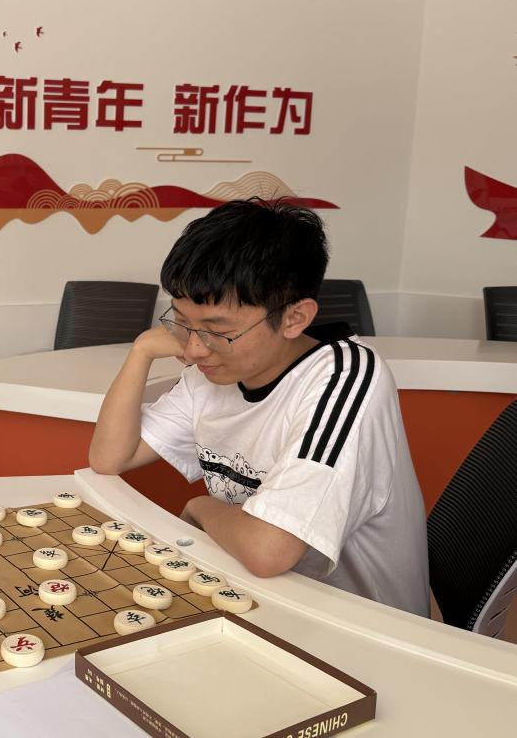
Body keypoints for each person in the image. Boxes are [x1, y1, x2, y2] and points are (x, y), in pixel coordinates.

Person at [89, 199, 429, 616]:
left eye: (217, 330)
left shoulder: (346, 378)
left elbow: (269, 550)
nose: (193, 349)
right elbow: (110, 458)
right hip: (263, 600)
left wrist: (202, 507)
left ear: (294, 318)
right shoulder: (211, 372)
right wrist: (141, 351)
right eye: (182, 322)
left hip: (363, 623)